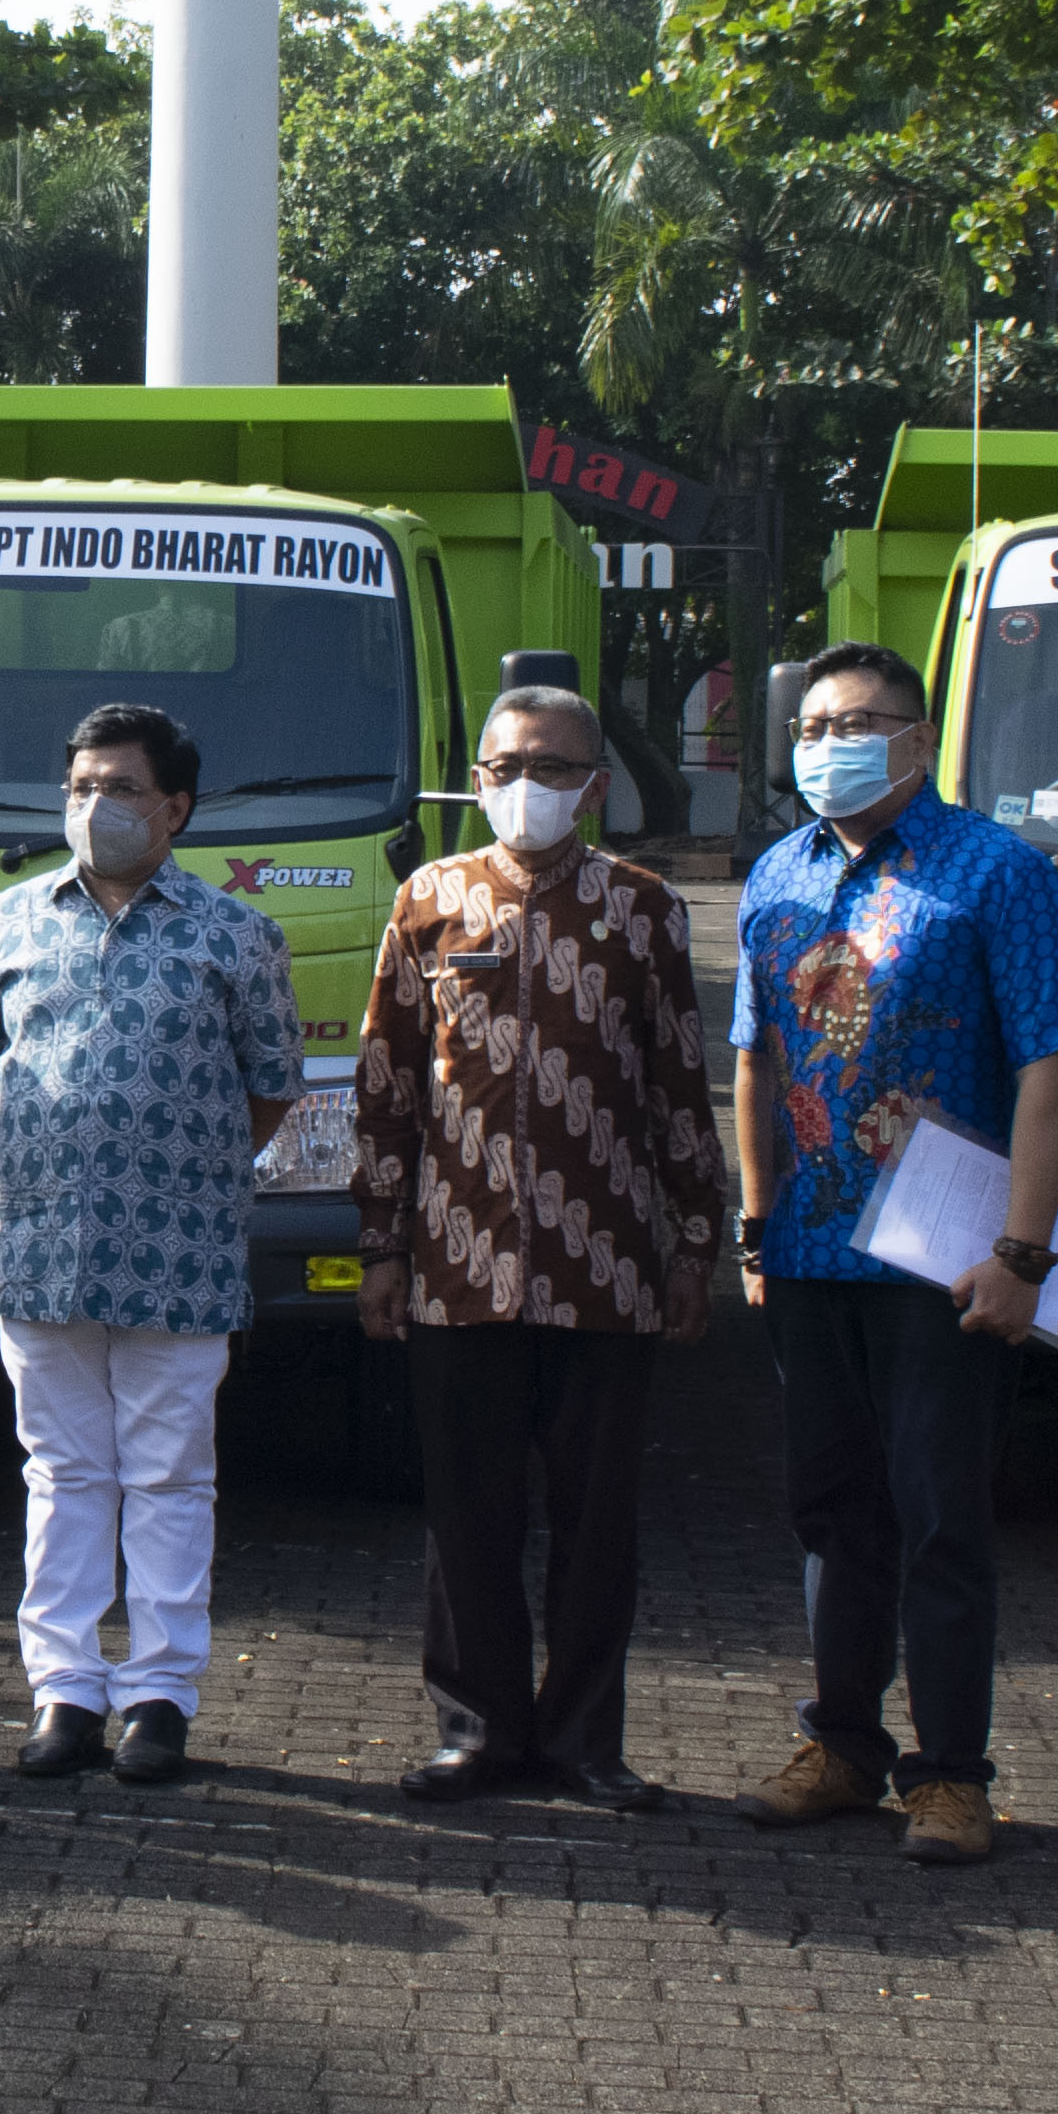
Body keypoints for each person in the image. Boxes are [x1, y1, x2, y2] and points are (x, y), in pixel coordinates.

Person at [724, 642, 1058, 1865]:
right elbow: (757, 1061)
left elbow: (1052, 1066)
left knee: (942, 1516)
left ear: (920, 739)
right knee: (833, 1512)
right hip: (814, 1254)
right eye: (812, 721)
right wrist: (756, 1225)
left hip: (948, 1263)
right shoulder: (777, 872)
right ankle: (841, 1744)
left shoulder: (1002, 874)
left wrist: (1023, 1251)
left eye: (861, 720)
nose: (830, 741)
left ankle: (949, 1772)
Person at [351, 683, 728, 1806]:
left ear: (597, 785)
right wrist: (380, 1246)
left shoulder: (646, 909)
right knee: (466, 1516)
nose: (532, 787)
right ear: (477, 777)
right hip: (458, 1267)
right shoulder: (431, 899)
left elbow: (677, 1091)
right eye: (511, 765)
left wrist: (694, 1243)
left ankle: (582, 1741)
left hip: (605, 1269)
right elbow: (388, 1087)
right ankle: (477, 1730)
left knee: (596, 1521)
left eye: (557, 769)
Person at [0, 701, 305, 1789]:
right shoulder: (4, 921)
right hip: (39, 1251)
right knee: (62, 1477)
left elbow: (270, 1088)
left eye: (118, 788)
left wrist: (176, 1168)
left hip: (178, 1254)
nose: (93, 806)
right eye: (78, 787)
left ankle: (160, 1693)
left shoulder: (234, 934)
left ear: (176, 808)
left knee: (168, 1478)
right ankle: (63, 1689)